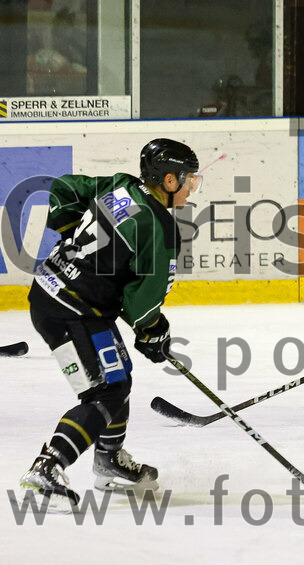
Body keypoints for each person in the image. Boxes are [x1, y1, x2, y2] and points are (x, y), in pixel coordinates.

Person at [19, 139, 200, 509]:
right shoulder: (159, 228)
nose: (192, 188)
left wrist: (68, 231)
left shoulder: (121, 185)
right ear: (168, 180)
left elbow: (66, 187)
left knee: (118, 378)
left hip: (53, 291)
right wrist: (153, 331)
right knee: (104, 392)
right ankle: (47, 465)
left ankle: (109, 458)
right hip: (73, 310)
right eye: (189, 180)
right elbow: (142, 300)